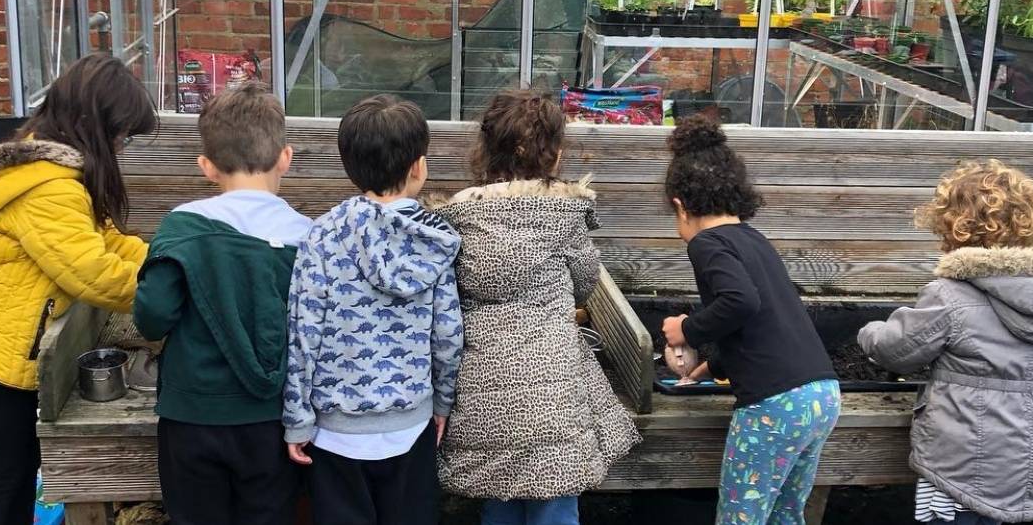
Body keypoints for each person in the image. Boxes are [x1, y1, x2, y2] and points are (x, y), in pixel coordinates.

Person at [0, 53, 154, 525]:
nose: (122, 143)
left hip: (15, 342)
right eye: (119, 132)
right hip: (1, 351)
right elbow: (90, 271)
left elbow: (107, 239)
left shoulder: (59, 172)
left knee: (16, 470)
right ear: (88, 122)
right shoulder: (48, 188)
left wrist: (167, 258)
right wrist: (165, 290)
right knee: (4, 477)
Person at [435, 89, 639, 525]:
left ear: (485, 150)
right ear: (557, 153)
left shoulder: (460, 221)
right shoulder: (563, 215)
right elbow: (585, 283)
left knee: (498, 500)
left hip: (482, 394)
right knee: (555, 505)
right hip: (554, 396)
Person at [858, 160, 1033, 525]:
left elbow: (896, 351)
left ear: (953, 227)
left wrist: (868, 331)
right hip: (1023, 449)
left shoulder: (949, 294)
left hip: (958, 454)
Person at [282, 94, 464, 525]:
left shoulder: (321, 235)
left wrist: (297, 419)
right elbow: (449, 335)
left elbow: (302, 332)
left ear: (350, 166)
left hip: (336, 436)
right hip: (412, 426)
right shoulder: (434, 240)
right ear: (419, 165)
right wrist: (442, 402)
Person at [131, 82, 309, 524]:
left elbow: (152, 318)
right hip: (272, 418)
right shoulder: (308, 236)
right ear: (285, 157)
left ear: (207, 166)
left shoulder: (182, 227)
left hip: (192, 414)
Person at [657, 116, 840, 524]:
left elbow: (740, 302)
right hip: (821, 394)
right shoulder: (755, 240)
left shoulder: (707, 243)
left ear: (680, 206)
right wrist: (712, 366)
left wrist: (684, 329)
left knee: (741, 517)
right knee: (784, 514)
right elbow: (763, 319)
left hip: (775, 404)